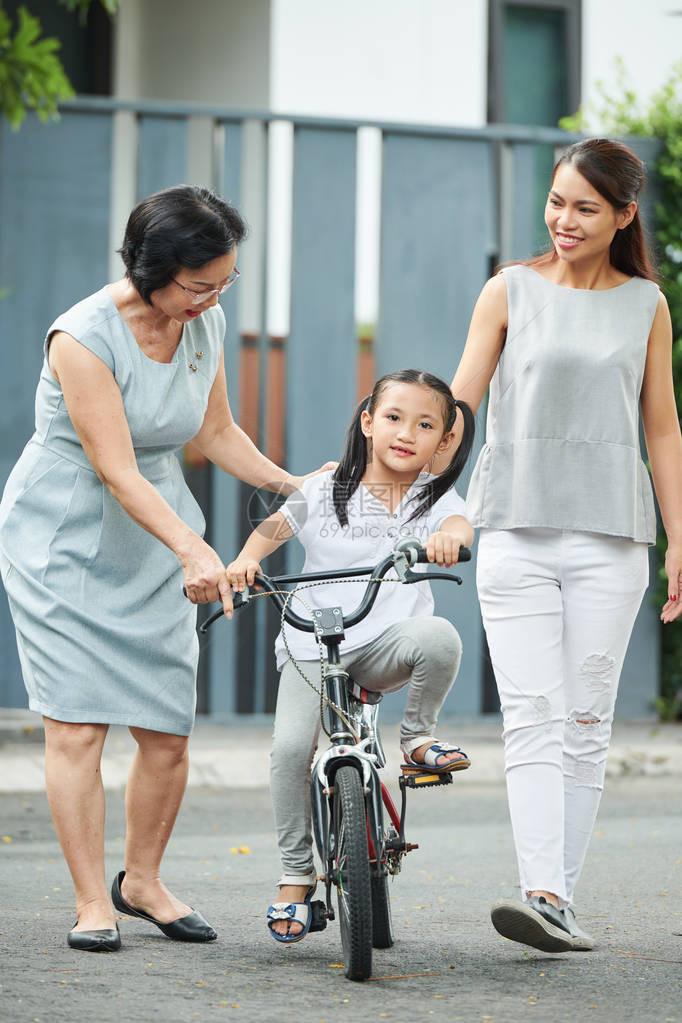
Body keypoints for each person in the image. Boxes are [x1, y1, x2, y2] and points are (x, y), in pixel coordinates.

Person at [0, 185, 329, 952]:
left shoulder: (203, 322)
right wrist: (192, 545)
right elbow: (116, 469)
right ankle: (92, 900)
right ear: (152, 267)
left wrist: (295, 484)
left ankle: (142, 880)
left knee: (165, 728)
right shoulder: (82, 337)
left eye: (224, 282)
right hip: (67, 538)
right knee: (77, 726)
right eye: (198, 283)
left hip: (156, 533)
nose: (212, 298)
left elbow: (215, 429)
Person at [450, 138, 682, 953]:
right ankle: (542, 890)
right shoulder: (508, 290)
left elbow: (662, 426)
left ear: (623, 216)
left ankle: (557, 898)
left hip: (613, 540)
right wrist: (440, 505)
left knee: (585, 720)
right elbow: (460, 407)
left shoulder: (645, 305)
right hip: (514, 528)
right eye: (556, 201)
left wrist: (680, 536)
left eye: (586, 207)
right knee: (534, 714)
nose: (564, 220)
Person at [224, 369, 476, 942]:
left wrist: (449, 541)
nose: (406, 432)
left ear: (441, 443)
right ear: (367, 422)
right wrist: (244, 559)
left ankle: (416, 739)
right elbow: (272, 530)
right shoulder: (322, 489)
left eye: (425, 424)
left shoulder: (431, 497)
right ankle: (295, 875)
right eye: (393, 417)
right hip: (312, 643)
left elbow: (460, 525)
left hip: (384, 644)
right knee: (290, 748)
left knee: (440, 636)